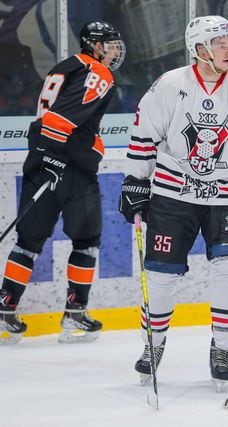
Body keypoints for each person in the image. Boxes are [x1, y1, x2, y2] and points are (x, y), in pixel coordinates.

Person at [118, 15, 228, 391]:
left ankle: (222, 350)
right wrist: (135, 180)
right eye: (220, 44)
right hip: (173, 195)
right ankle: (153, 344)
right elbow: (144, 134)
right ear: (199, 49)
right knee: (161, 275)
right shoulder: (170, 85)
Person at [0, 21, 126, 344]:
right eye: (110, 44)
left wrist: (45, 156)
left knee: (27, 242)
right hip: (69, 167)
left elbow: (48, 117)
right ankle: (74, 316)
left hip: (40, 160)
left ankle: (4, 311)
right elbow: (59, 121)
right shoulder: (98, 72)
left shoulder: (64, 66)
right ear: (95, 45)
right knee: (87, 240)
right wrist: (63, 156)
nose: (114, 50)